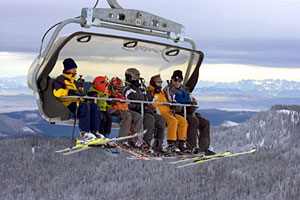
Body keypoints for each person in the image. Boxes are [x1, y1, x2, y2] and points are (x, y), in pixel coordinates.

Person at [163, 70, 215, 155]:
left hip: (188, 112)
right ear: (172, 80)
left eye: (179, 80)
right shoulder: (168, 90)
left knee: (205, 122)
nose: (177, 82)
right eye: (175, 80)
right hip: (178, 113)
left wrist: (192, 104)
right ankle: (190, 147)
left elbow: (192, 99)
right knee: (193, 121)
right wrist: (184, 106)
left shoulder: (184, 89)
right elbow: (171, 103)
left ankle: (204, 148)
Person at [53, 58, 101, 140]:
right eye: (73, 69)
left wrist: (87, 95)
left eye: (75, 68)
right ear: (68, 69)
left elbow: (78, 94)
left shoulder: (74, 82)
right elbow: (57, 92)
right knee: (84, 106)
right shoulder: (60, 80)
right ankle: (84, 133)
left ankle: (94, 131)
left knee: (94, 106)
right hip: (66, 103)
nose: (75, 70)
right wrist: (71, 92)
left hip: (76, 101)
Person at [122, 68, 166, 153]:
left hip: (146, 111)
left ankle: (158, 144)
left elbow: (147, 101)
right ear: (129, 77)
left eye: (138, 77)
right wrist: (139, 107)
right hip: (137, 112)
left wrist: (149, 107)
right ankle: (146, 143)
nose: (137, 79)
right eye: (134, 77)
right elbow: (126, 103)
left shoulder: (141, 89)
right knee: (150, 119)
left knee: (161, 119)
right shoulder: (127, 89)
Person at [146, 74, 188, 154]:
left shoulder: (161, 92)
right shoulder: (150, 90)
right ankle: (171, 144)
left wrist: (170, 104)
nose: (160, 84)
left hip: (168, 111)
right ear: (153, 82)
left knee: (183, 121)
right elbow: (152, 103)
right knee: (173, 121)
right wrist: (155, 94)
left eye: (161, 82)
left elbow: (165, 101)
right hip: (160, 112)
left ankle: (181, 143)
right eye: (158, 82)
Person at [105, 77, 143, 143]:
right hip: (112, 109)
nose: (116, 91)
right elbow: (105, 102)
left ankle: (132, 141)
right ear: (110, 87)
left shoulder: (119, 95)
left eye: (119, 89)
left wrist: (123, 100)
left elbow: (126, 105)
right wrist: (112, 100)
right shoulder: (106, 93)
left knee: (138, 117)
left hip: (122, 109)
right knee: (127, 116)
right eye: (115, 88)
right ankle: (121, 140)